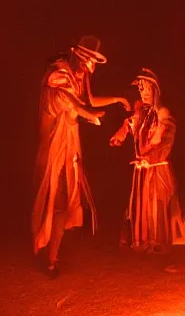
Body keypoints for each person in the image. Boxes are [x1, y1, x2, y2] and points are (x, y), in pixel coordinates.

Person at [32, 37, 129, 277]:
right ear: (77, 55)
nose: (91, 68)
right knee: (54, 198)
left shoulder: (80, 76)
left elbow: (88, 101)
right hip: (55, 146)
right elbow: (77, 105)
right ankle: (49, 254)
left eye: (95, 63)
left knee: (64, 201)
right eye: (89, 62)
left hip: (70, 145)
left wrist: (117, 99)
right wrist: (93, 116)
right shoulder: (59, 77)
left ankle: (53, 258)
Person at [109, 68, 185, 253]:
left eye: (146, 89)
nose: (143, 93)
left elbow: (166, 127)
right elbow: (131, 122)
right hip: (143, 170)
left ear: (155, 90)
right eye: (141, 89)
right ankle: (141, 241)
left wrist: (159, 134)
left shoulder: (162, 112)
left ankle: (157, 243)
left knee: (155, 205)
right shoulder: (144, 112)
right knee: (141, 205)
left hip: (156, 169)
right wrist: (121, 133)